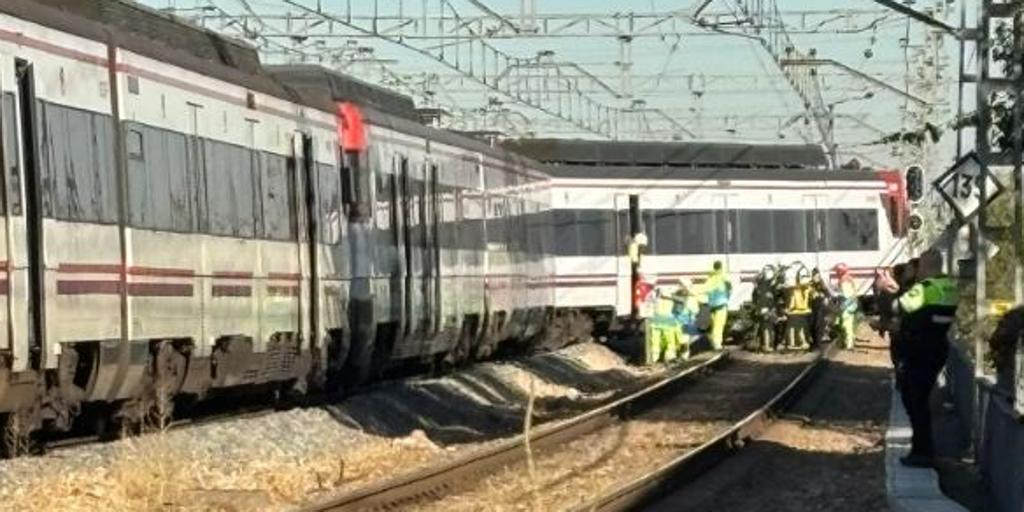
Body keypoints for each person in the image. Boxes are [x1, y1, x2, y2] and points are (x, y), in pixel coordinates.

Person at [893, 250, 958, 468]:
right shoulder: (949, 286)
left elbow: (898, 307)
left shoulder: (926, 288)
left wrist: (902, 287)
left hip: (919, 350)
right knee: (919, 400)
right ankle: (922, 449)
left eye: (919, 266)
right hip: (937, 348)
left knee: (914, 401)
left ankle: (922, 451)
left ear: (926, 267)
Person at [646, 284, 681, 365]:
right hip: (667, 322)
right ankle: (669, 358)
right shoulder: (671, 295)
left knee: (655, 341)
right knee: (670, 341)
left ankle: (654, 359)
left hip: (656, 321)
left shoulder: (654, 295)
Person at [703, 260, 733, 350]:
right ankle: (717, 345)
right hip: (721, 303)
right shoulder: (723, 276)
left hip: (711, 304)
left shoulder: (710, 277)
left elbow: (705, 290)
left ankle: (713, 342)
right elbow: (729, 286)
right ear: (721, 267)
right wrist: (728, 295)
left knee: (713, 325)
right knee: (719, 325)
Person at [672, 279, 701, 361]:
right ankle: (681, 356)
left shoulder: (686, 296)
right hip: (680, 321)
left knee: (683, 340)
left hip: (683, 321)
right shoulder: (683, 296)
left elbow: (694, 311)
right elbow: (694, 310)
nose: (684, 287)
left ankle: (683, 356)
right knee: (681, 340)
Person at [785, 268, 813, 350]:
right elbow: (793, 302)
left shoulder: (806, 289)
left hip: (801, 313)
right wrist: (789, 309)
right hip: (796, 312)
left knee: (800, 328)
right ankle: (795, 343)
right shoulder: (796, 289)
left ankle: (801, 342)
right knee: (796, 328)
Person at [752, 266, 778, 352]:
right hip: (767, 310)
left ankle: (767, 345)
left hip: (763, 310)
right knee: (768, 328)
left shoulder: (758, 288)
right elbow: (774, 278)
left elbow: (754, 300)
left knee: (766, 328)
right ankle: (768, 345)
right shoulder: (767, 285)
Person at [834, 263, 858, 349]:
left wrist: (843, 306)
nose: (836, 272)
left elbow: (848, 295)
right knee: (843, 324)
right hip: (847, 305)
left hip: (847, 306)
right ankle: (846, 342)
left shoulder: (844, 280)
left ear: (841, 271)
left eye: (837, 271)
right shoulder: (845, 279)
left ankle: (849, 343)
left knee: (846, 325)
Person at [809, 268, 832, 347]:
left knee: (819, 325)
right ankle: (814, 341)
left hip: (820, 307)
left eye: (818, 276)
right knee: (812, 324)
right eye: (815, 276)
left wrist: (824, 297)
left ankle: (818, 343)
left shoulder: (821, 284)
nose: (816, 278)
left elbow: (828, 294)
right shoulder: (810, 284)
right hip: (812, 306)